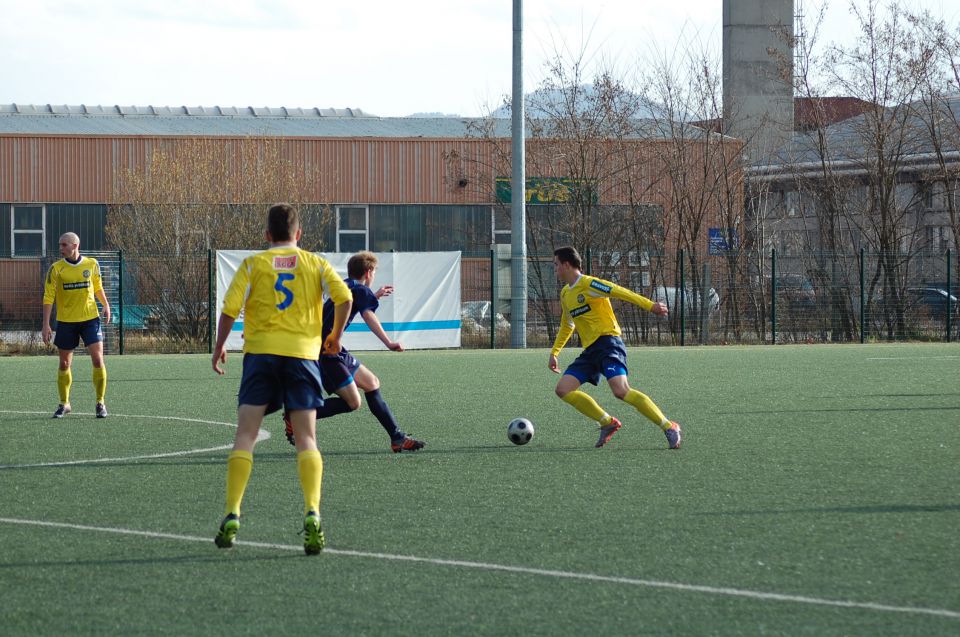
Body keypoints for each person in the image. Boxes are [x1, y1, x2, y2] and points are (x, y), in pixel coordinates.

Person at [211, 203, 352, 555]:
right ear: (298, 234)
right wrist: (334, 336)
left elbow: (229, 309)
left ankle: (232, 512)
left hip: (260, 355)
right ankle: (313, 512)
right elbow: (345, 297)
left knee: (246, 435)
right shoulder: (315, 263)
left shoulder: (253, 264)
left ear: (267, 235)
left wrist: (219, 347)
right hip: (303, 357)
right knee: (306, 438)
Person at [283, 251, 425, 453]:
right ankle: (295, 413)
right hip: (327, 353)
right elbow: (368, 316)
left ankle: (397, 438)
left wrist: (373, 295)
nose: (374, 275)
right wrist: (389, 342)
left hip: (329, 349)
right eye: (374, 272)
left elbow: (351, 304)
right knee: (352, 403)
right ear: (368, 272)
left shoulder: (343, 285)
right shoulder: (359, 291)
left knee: (372, 383)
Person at [548, 246, 682, 449]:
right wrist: (554, 352)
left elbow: (619, 292)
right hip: (591, 351)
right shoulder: (566, 294)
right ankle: (607, 422)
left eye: (556, 265)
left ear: (566, 265)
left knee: (621, 390)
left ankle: (668, 426)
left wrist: (650, 306)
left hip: (609, 343)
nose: (555, 270)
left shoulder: (590, 284)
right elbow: (568, 324)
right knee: (563, 389)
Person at [41, 232, 111, 419]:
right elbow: (48, 297)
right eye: (60, 245)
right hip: (66, 322)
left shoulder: (92, 264)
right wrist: (46, 324)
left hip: (90, 319)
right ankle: (64, 403)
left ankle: (100, 402)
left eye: (64, 245)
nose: (61, 248)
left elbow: (97, 286)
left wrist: (105, 304)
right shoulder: (56, 269)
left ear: (75, 245)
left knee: (97, 360)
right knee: (64, 364)